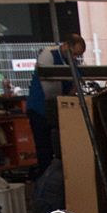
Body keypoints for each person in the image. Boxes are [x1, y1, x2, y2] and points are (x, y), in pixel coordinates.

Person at [25, 33, 86, 178]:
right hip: (40, 109)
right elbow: (52, 91)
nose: (75, 58)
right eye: (74, 53)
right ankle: (46, 182)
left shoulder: (71, 60)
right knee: (45, 149)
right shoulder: (48, 55)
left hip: (58, 110)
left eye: (78, 55)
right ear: (65, 45)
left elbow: (76, 82)